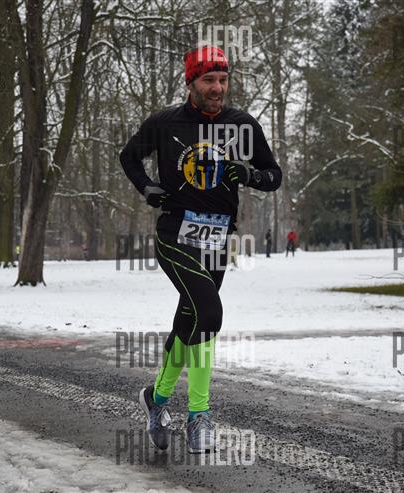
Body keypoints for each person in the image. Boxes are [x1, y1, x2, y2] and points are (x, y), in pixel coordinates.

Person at [120, 45, 281, 453]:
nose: (217, 88)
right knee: (209, 314)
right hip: (175, 233)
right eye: (209, 80)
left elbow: (273, 176)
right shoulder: (165, 123)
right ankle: (199, 416)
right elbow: (129, 157)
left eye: (223, 80)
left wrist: (249, 174)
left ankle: (156, 399)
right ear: (190, 82)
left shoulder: (241, 125)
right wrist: (147, 187)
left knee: (190, 321)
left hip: (217, 239)